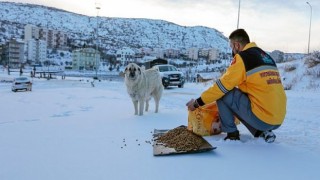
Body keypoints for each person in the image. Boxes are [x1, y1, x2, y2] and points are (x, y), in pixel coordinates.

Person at [186, 29, 286, 143]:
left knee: (224, 92)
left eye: (231, 47)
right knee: (240, 96)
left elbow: (221, 87)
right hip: (278, 118)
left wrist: (197, 103)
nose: (232, 50)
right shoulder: (266, 57)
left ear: (237, 45)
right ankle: (261, 132)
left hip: (263, 119)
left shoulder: (243, 58)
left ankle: (232, 133)